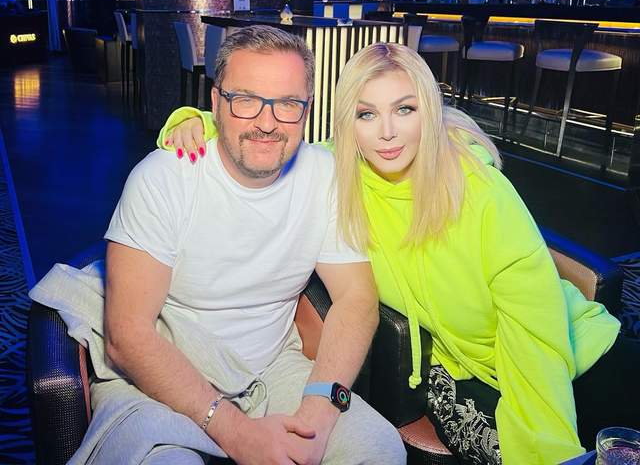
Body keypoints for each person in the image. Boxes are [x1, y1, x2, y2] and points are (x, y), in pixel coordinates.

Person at [164, 42, 638, 465]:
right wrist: (197, 122)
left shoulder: (478, 189)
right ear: (349, 124)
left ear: (427, 112)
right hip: (470, 370)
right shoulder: (338, 175)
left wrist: (547, 446)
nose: (387, 133)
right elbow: (270, 141)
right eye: (367, 114)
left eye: (404, 109)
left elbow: (536, 331)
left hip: (571, 351)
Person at [99, 26, 406, 465]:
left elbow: (357, 297)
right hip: (166, 371)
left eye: (287, 104)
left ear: (307, 110)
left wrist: (319, 411)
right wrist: (237, 432)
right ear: (215, 103)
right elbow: (127, 335)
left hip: (272, 367)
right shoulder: (163, 178)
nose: (266, 122)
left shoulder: (325, 176)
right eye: (245, 100)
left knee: (377, 448)